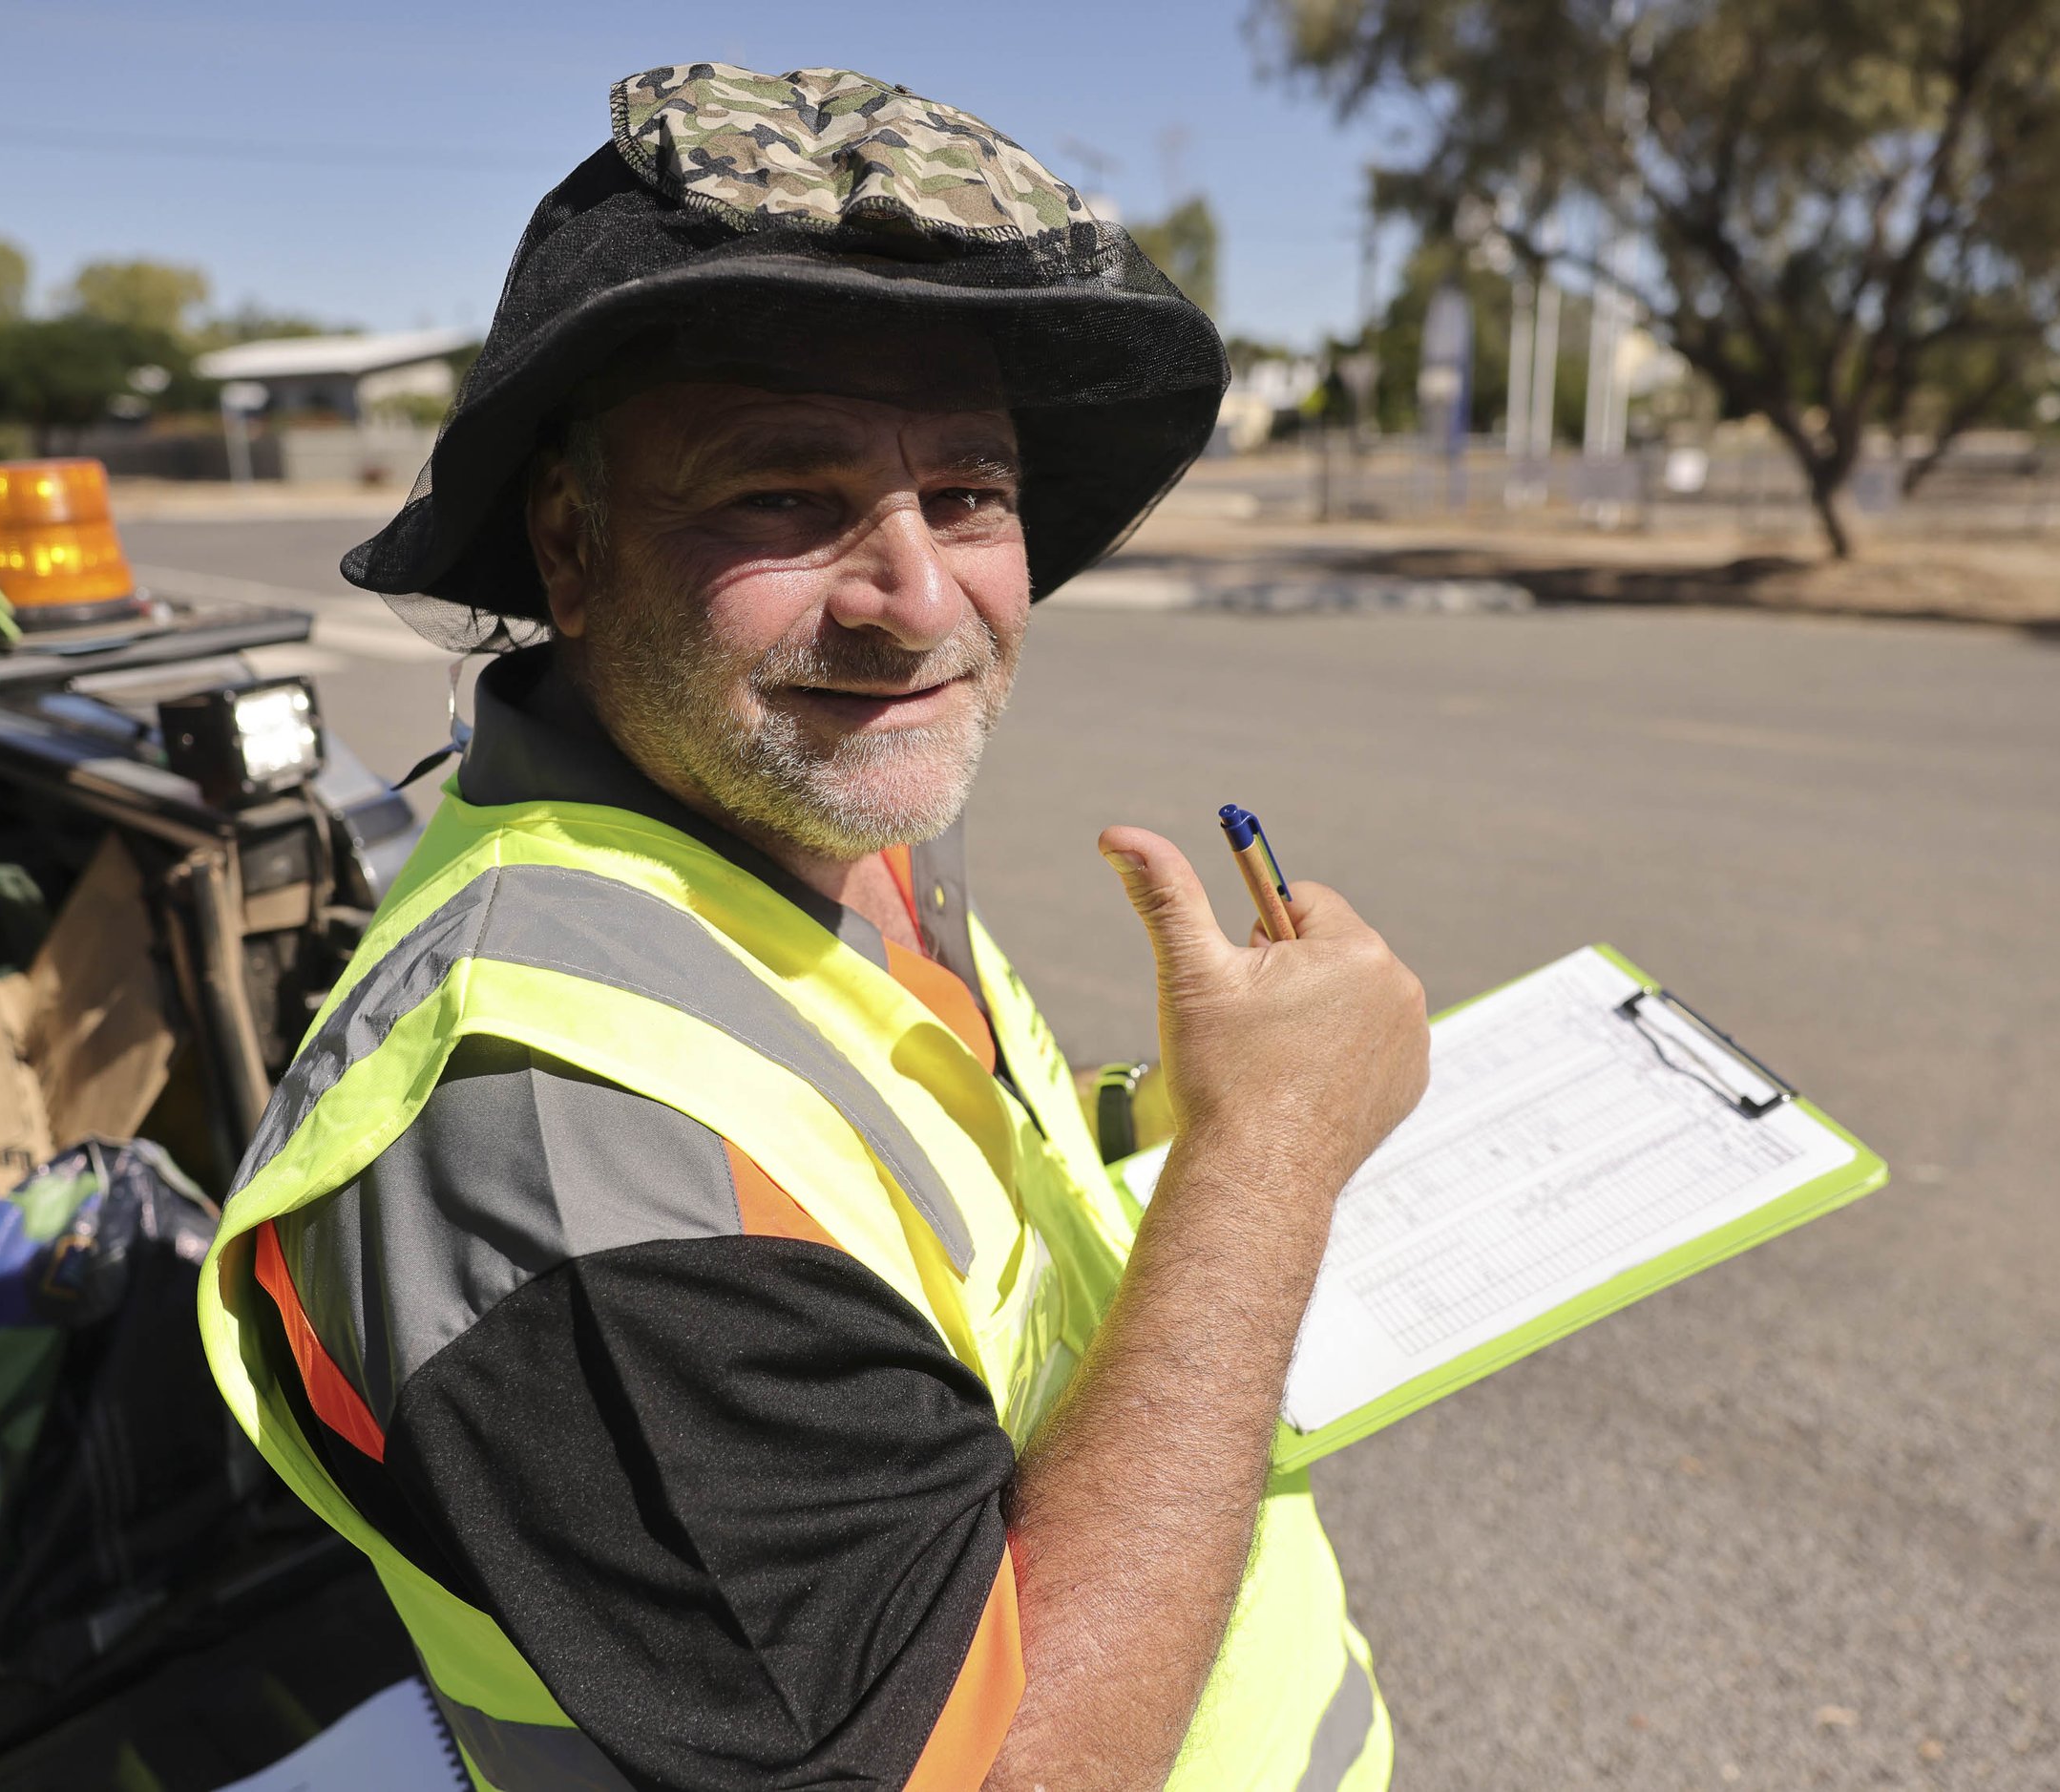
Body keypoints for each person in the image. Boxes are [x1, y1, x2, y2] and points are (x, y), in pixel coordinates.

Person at [200, 64, 1428, 1792]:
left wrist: (1191, 1112)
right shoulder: (554, 1151)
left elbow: (912, 1192)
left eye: (972, 493)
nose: (918, 597)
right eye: (784, 495)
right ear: (574, 540)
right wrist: (1273, 1157)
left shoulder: (791, 818)